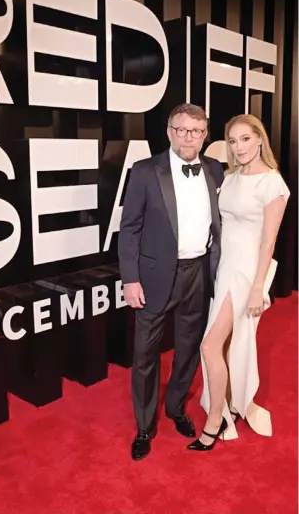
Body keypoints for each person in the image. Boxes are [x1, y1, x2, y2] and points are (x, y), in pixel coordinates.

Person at [118, 103, 224, 461]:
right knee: (145, 354)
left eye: (195, 130)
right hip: (154, 276)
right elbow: (129, 228)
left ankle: (176, 406)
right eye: (181, 129)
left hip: (199, 274)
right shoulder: (146, 171)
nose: (188, 137)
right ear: (168, 132)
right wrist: (130, 279)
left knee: (189, 347)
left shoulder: (214, 169)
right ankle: (144, 426)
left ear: (205, 134)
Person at [188, 114, 290, 452]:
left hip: (246, 272)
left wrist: (259, 287)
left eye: (245, 139)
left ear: (260, 139)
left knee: (209, 345)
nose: (238, 147)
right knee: (228, 344)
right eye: (232, 141)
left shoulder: (271, 182)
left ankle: (215, 420)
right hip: (225, 268)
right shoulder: (230, 178)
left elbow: (268, 241)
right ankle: (228, 401)